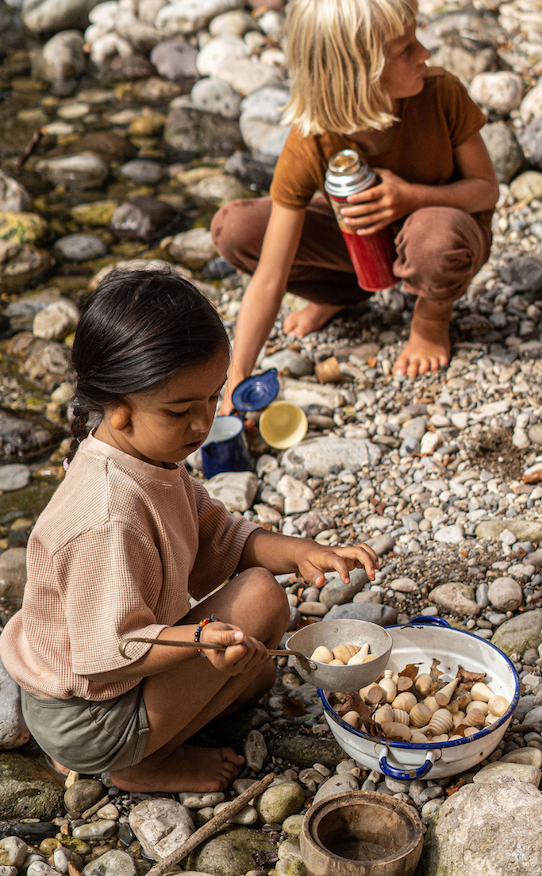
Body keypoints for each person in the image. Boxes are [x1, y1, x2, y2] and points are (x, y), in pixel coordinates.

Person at [0, 269, 377, 793]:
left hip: (108, 677)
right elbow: (107, 654)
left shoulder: (150, 455)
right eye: (181, 410)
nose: (204, 424)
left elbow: (214, 538)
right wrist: (201, 640)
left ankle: (156, 730)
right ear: (120, 411)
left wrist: (303, 552)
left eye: (212, 397)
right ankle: (136, 765)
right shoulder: (107, 515)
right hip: (88, 711)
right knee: (260, 606)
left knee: (260, 669)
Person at [212, 0, 498, 407]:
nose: (425, 53)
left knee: (434, 239)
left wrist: (411, 196)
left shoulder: (440, 94)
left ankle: (430, 319)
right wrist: (236, 376)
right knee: (236, 228)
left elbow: (486, 190)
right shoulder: (312, 140)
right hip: (364, 246)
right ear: (358, 74)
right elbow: (270, 274)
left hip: (442, 232)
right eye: (406, 49)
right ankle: (343, 294)